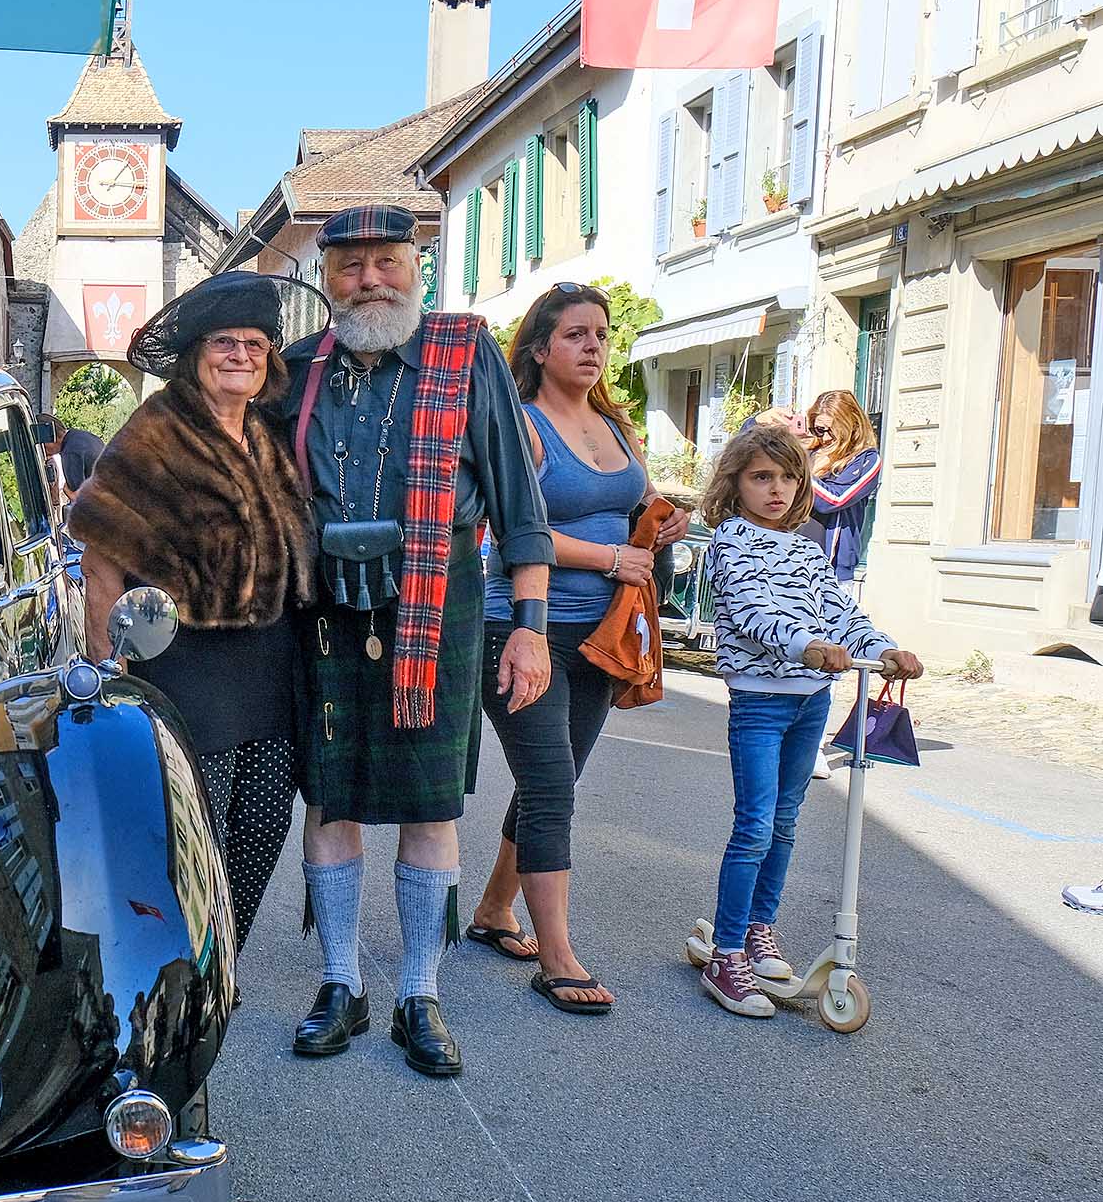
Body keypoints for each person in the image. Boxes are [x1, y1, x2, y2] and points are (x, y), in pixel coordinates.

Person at [272, 204, 554, 1076]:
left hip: (439, 606)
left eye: (386, 262)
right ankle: (342, 981)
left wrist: (531, 631)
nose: (369, 281)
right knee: (331, 799)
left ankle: (419, 993)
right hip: (324, 611)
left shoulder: (465, 354)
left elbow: (519, 504)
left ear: (416, 266)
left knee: (432, 808)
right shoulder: (296, 369)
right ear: (326, 278)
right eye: (350, 266)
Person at [69, 271, 326, 954]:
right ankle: (180, 966)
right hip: (184, 671)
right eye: (224, 341)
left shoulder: (269, 436)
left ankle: (221, 965)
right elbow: (100, 564)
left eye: (255, 342)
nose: (241, 354)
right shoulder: (155, 433)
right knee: (192, 836)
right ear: (195, 352)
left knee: (263, 823)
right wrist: (109, 672)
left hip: (270, 669)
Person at [466, 283, 691, 1014]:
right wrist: (609, 560)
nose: (593, 347)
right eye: (575, 335)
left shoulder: (616, 427)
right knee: (553, 784)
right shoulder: (525, 428)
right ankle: (556, 955)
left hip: (603, 636)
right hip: (522, 629)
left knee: (549, 782)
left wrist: (654, 529)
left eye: (600, 334)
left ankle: (495, 910)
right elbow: (511, 531)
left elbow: (625, 509)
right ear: (539, 349)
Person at [697, 423, 922, 1017]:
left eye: (788, 477)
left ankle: (757, 929)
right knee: (754, 824)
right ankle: (725, 951)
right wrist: (805, 647)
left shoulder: (805, 549)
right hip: (760, 701)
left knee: (786, 822)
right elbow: (750, 610)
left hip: (809, 700)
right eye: (761, 477)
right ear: (736, 483)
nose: (776, 489)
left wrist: (886, 646)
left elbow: (840, 612)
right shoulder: (729, 543)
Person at [802, 389, 883, 584]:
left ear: (850, 426)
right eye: (819, 429)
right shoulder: (808, 452)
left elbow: (835, 499)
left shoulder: (866, 459)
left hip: (831, 570)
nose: (826, 438)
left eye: (832, 430)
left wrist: (799, 472)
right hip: (792, 560)